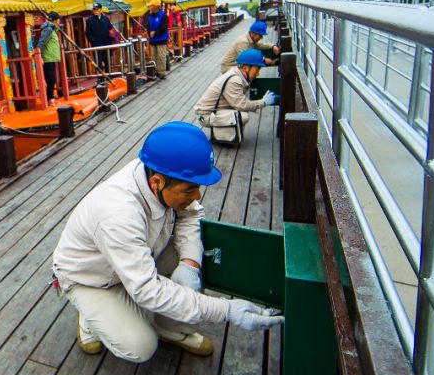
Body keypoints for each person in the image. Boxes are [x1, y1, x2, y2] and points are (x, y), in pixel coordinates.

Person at [51, 121, 284, 362]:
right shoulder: (118, 214)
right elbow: (147, 290)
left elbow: (192, 214)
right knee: (140, 346)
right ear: (157, 183)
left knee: (193, 256)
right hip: (92, 277)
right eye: (190, 190)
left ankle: (170, 329)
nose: (197, 196)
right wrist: (226, 310)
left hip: (136, 256)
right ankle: (90, 315)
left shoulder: (157, 171)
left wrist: (190, 264)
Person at [195, 49, 278, 144]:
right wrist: (263, 102)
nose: (258, 73)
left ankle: (228, 133)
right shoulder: (235, 80)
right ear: (246, 68)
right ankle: (223, 137)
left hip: (214, 111)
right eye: (257, 68)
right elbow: (242, 105)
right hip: (207, 116)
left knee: (241, 113)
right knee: (243, 116)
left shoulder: (236, 74)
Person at [34, 11, 63, 101]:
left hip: (51, 58)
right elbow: (41, 42)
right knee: (51, 80)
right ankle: (49, 98)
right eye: (58, 19)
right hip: (48, 58)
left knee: (52, 79)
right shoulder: (49, 30)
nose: (59, 21)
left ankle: (50, 97)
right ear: (55, 20)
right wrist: (40, 57)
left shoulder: (52, 28)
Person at [84, 3, 114, 73]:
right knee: (98, 62)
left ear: (100, 10)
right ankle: (100, 78)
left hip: (107, 44)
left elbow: (110, 29)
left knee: (107, 62)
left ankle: (109, 76)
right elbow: (87, 33)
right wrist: (93, 41)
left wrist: (111, 39)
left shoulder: (106, 19)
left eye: (97, 9)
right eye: (94, 9)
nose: (95, 11)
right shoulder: (89, 21)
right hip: (97, 46)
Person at [145, 0, 169, 79]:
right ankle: (154, 71)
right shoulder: (149, 16)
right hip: (152, 40)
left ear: (156, 6)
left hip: (161, 39)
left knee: (161, 56)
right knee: (153, 56)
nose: (150, 7)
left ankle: (161, 72)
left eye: (151, 6)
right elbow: (148, 26)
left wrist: (155, 33)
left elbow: (164, 27)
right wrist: (150, 32)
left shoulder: (163, 15)